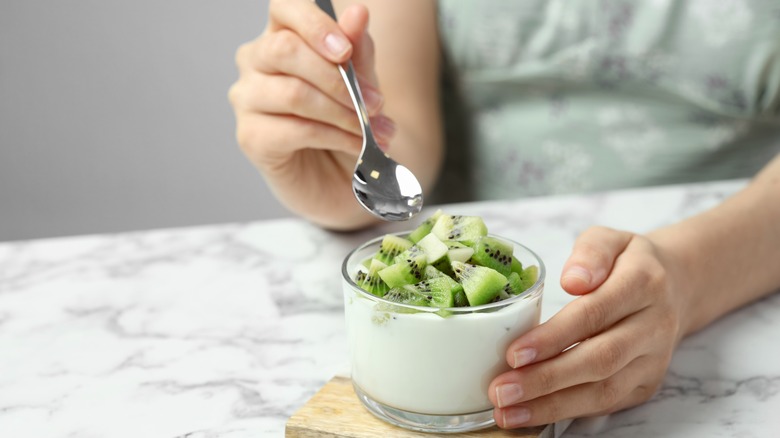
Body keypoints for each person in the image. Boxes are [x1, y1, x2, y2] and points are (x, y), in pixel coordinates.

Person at [228, 0, 780, 429]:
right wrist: (338, 154)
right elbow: (399, 127)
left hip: (744, 267)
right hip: (483, 301)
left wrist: (691, 274)